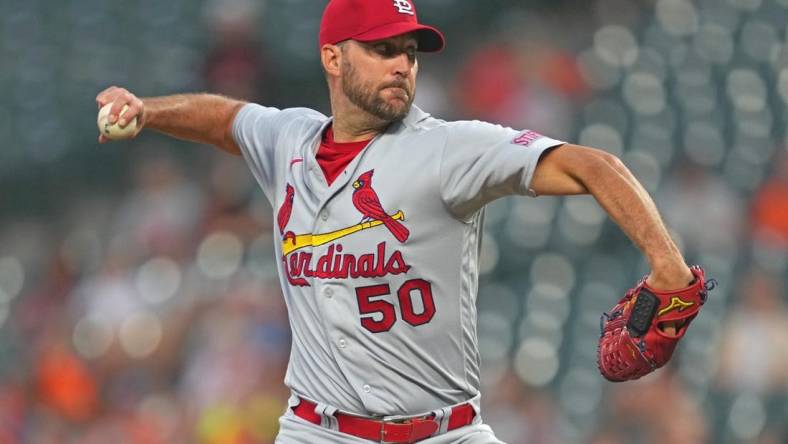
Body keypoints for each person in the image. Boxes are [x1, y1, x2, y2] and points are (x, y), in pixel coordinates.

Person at [95, 0, 695, 442]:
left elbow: (594, 165)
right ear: (332, 57)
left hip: (445, 432)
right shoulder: (288, 140)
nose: (402, 65)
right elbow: (225, 118)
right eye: (383, 49)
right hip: (318, 431)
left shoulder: (449, 150)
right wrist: (148, 111)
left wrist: (668, 266)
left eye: (409, 53)